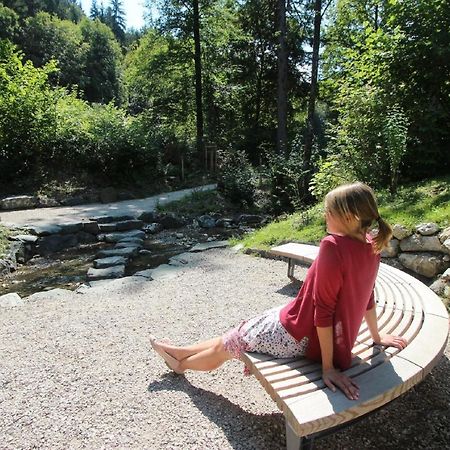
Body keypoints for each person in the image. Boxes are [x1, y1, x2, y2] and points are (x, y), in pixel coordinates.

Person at [150, 182, 408, 400]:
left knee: (232, 343)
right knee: (236, 334)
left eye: (328, 211)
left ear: (349, 218)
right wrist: (376, 336)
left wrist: (328, 368)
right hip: (301, 320)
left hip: (300, 333)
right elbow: (368, 295)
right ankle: (181, 352)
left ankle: (180, 365)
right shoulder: (371, 244)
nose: (324, 216)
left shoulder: (333, 246)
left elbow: (324, 311)